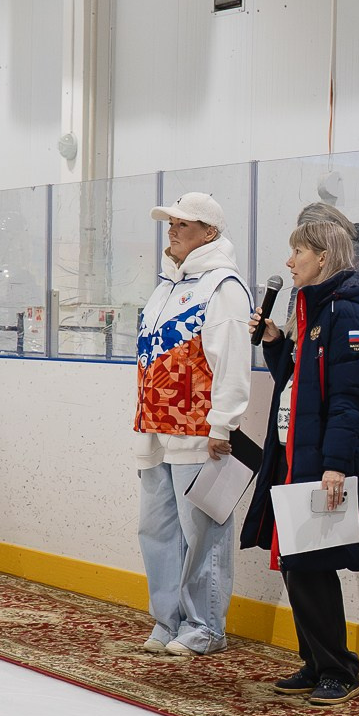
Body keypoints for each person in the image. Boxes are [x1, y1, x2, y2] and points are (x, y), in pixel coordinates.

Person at [239, 218, 359, 705]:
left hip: (323, 457)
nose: (289, 262)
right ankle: (315, 661)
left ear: (323, 256)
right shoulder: (313, 310)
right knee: (296, 560)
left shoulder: (348, 314)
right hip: (296, 451)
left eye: (298, 252)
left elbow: (349, 400)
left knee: (311, 563)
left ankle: (338, 669)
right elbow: (296, 377)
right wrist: (275, 341)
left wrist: (335, 465)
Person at [132, 191, 253, 657]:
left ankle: (205, 625)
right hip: (154, 426)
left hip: (197, 430)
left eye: (183, 224)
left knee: (203, 531)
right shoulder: (165, 286)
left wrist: (223, 424)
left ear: (210, 233)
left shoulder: (223, 287)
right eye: (170, 223)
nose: (172, 230)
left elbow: (232, 362)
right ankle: (168, 620)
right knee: (156, 529)